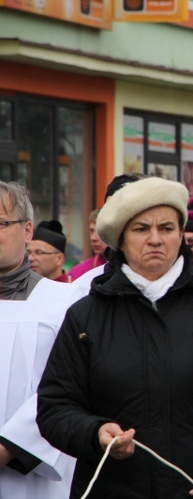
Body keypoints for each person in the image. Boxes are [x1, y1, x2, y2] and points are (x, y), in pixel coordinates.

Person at [37, 176, 193, 499]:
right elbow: (55, 407)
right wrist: (94, 432)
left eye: (166, 228)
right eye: (141, 229)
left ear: (181, 235)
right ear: (120, 239)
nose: (155, 239)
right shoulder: (86, 315)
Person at [0, 181, 75, 498]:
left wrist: (9, 447)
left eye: (1, 223)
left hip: (29, 474)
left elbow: (68, 386)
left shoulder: (64, 303)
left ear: (28, 230)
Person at [68, 209, 106, 282]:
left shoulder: (129, 269)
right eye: (91, 231)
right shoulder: (77, 272)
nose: (93, 238)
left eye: (99, 231)